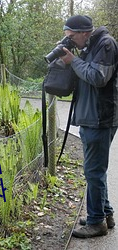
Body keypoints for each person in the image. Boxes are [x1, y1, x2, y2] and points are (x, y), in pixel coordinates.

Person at [60, 15, 118, 238]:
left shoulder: (106, 44)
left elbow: (97, 77)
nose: (71, 41)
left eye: (72, 37)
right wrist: (70, 60)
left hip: (100, 118)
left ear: (84, 32)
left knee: (93, 171)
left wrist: (73, 61)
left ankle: (96, 223)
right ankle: (105, 214)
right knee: (95, 171)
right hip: (90, 117)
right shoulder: (89, 46)